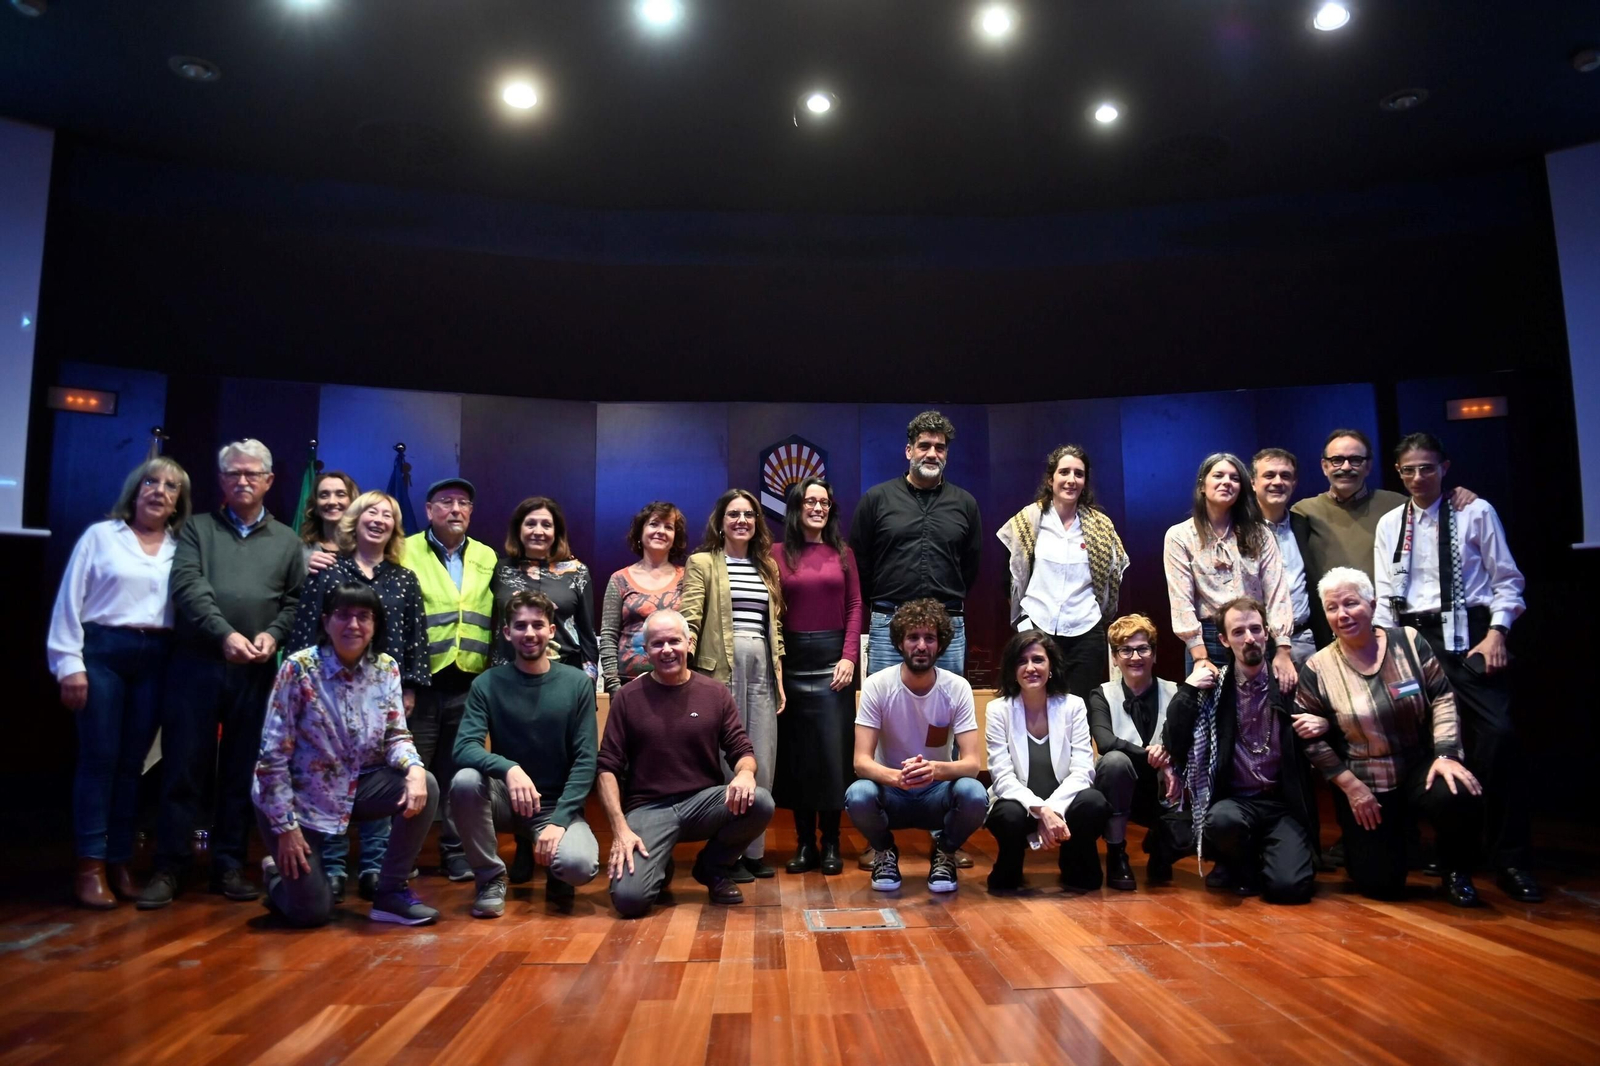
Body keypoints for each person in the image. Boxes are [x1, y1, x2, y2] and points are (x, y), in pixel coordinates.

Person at [1372, 432, 1539, 902]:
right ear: (1399, 473)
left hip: (1471, 635)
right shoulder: (1391, 523)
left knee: (1498, 739)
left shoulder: (1475, 511)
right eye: (1408, 470)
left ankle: (1509, 859)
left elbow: (1507, 581)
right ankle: (1453, 862)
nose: (1418, 477)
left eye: (1427, 468)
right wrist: (1387, 652)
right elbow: (1384, 595)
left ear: (1444, 468)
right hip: (1414, 638)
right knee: (1433, 748)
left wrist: (1498, 632)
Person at [139, 440, 304, 910]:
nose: (242, 481)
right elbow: (188, 586)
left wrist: (273, 634)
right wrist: (224, 634)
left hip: (255, 671)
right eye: (233, 474)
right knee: (183, 768)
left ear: (269, 481)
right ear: (221, 480)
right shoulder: (196, 529)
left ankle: (228, 864)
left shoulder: (288, 541)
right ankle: (169, 866)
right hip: (197, 665)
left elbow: (294, 602)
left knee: (240, 772)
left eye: (252, 474)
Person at [252, 582, 440, 927]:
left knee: (425, 784)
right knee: (312, 913)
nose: (353, 625)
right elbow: (272, 757)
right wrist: (285, 828)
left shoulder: (386, 669)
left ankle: (391, 894)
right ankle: (278, 875)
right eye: (343, 615)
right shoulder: (298, 669)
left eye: (363, 616)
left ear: (375, 625)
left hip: (357, 788)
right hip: (298, 802)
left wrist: (413, 767)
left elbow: (396, 735)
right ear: (326, 622)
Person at [1295, 567, 1485, 907]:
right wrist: (1350, 787)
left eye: (1351, 603)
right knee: (1379, 885)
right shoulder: (1318, 667)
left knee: (1456, 788)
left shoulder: (1409, 642)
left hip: (1418, 765)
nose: (1342, 614)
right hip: (1366, 781)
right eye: (1332, 608)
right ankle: (1391, 843)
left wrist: (1446, 755)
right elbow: (1308, 738)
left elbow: (1442, 695)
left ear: (1372, 604)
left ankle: (1455, 869)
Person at [49, 457, 191, 908]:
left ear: (178, 502)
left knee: (133, 766)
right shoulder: (101, 536)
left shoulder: (181, 548)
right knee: (100, 760)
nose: (159, 490)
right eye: (151, 481)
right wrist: (69, 664)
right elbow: (70, 600)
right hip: (103, 654)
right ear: (135, 489)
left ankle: (120, 861)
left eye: (171, 486)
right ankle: (89, 865)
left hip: (157, 659)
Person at [849, 410, 981, 869]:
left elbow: (971, 566)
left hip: (949, 625)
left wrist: (940, 619)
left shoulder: (965, 504)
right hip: (889, 622)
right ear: (908, 450)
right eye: (924, 445)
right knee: (883, 718)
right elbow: (861, 563)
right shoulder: (877, 499)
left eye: (940, 447)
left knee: (943, 721)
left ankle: (946, 835)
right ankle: (879, 835)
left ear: (947, 454)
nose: (931, 453)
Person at [286, 489, 428, 903]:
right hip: (327, 693)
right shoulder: (329, 571)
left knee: (380, 766)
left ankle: (373, 867)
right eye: (371, 512)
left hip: (383, 691)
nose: (379, 520)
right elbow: (306, 629)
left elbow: (415, 636)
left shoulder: (404, 578)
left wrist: (409, 687)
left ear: (395, 527)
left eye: (388, 515)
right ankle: (333, 868)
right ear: (355, 519)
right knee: (333, 772)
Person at [597, 610, 775, 918]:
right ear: (646, 650)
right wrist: (620, 828)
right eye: (657, 644)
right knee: (630, 900)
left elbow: (741, 749)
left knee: (759, 801)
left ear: (689, 643)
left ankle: (712, 867)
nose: (667, 650)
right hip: (648, 808)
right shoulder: (627, 697)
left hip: (702, 804)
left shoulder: (715, 693)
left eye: (674, 641)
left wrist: (746, 773)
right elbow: (606, 768)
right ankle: (659, 865)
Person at [452, 590, 601, 917]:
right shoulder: (487, 683)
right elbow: (463, 747)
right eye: (520, 626)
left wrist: (560, 821)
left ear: (552, 630)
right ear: (507, 632)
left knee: (578, 866)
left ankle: (554, 866)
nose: (529, 633)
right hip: (506, 798)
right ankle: (490, 879)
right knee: (465, 781)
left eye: (538, 625)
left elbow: (586, 760)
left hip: (554, 804)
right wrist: (508, 768)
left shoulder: (577, 683)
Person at [1165, 597, 1318, 902]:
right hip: (1235, 803)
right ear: (1223, 640)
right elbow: (1174, 739)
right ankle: (1241, 863)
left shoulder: (1288, 683)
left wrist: (1322, 723)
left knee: (1289, 888)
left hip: (1280, 804)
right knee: (1222, 822)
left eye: (1255, 629)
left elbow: (1328, 718)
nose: (1249, 638)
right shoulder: (1215, 688)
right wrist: (1189, 689)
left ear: (1266, 633)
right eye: (1238, 632)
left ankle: (1264, 856)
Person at [845, 600, 987, 893]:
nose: (921, 646)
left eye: (929, 638)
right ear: (900, 642)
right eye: (913, 637)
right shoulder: (877, 685)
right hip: (892, 791)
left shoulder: (957, 687)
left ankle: (945, 852)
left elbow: (972, 764)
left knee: (974, 793)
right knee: (858, 795)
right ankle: (884, 851)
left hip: (936, 793)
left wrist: (934, 770)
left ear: (940, 644)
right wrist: (898, 778)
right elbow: (861, 762)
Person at [680, 488, 786, 880]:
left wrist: (779, 677)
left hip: (762, 669)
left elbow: (774, 626)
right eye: (733, 514)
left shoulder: (767, 566)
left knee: (763, 759)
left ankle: (752, 851)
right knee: (729, 763)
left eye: (749, 515)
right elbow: (690, 616)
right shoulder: (703, 562)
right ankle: (727, 855)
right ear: (721, 522)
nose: (742, 521)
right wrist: (684, 662)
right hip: (718, 671)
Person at [1291, 428, 1476, 648]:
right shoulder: (1303, 512)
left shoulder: (1397, 506)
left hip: (1391, 623)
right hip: (1333, 626)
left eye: (1355, 460)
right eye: (1337, 460)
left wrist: (1454, 494)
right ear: (1325, 466)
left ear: (1368, 466)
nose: (1346, 467)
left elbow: (1431, 503)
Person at [400, 477, 497, 883]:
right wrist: (404, 681)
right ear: (428, 510)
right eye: (445, 502)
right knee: (413, 773)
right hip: (421, 684)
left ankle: (455, 853)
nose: (455, 509)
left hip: (469, 683)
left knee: (460, 774)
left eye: (463, 503)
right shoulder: (404, 549)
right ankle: (402, 856)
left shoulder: (487, 556)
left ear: (471, 512)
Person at [772, 477, 863, 876]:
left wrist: (849, 657)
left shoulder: (844, 553)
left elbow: (856, 605)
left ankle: (832, 842)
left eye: (824, 502)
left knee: (831, 756)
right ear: (796, 508)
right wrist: (777, 665)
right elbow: (772, 612)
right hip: (792, 663)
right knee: (799, 757)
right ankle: (805, 843)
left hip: (833, 665)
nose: (818, 508)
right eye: (810, 501)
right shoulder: (775, 554)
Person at [982, 630, 1112, 894]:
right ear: (1012, 669)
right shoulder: (998, 710)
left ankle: (1074, 858)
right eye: (1021, 661)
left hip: (1063, 808)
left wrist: (1053, 810)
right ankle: (1011, 862)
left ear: (1051, 666)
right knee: (1007, 815)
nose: (1030, 668)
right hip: (1021, 806)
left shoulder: (1073, 706)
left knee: (1094, 802)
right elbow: (1002, 778)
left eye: (1038, 660)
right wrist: (1042, 811)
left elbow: (1083, 771)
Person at [997, 444, 1130, 700]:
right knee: (1038, 706)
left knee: (1081, 709)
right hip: (1038, 627)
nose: (1071, 480)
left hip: (1085, 631)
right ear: (1051, 479)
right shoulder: (1028, 520)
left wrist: (1099, 616)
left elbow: (1113, 577)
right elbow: (1009, 577)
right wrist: (1024, 625)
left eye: (1079, 474)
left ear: (1085, 482)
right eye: (1064, 472)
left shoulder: (1101, 526)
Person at [1163, 452, 1296, 691]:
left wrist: (1283, 650)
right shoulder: (1180, 536)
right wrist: (1200, 656)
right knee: (1209, 710)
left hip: (1255, 633)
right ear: (1202, 485)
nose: (1227, 482)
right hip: (1208, 638)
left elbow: (1277, 593)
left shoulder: (1260, 533)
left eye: (1234, 478)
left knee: (1258, 708)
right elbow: (1180, 600)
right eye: (1219, 476)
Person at [1085, 613, 1188, 891]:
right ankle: (1116, 852)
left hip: (1162, 791)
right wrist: (1158, 760)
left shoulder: (1176, 692)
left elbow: (1185, 743)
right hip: (1117, 788)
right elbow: (1105, 742)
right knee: (1114, 762)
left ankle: (1161, 844)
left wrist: (1170, 759)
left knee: (1178, 846)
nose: (1135, 657)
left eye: (1143, 649)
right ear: (1115, 658)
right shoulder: (1101, 695)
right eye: (1125, 650)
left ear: (1154, 654)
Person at [490, 496, 598, 678]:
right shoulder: (501, 569)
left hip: (565, 674)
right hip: (508, 675)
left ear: (556, 532)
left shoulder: (577, 572)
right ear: (518, 529)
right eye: (530, 524)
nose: (538, 531)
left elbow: (587, 633)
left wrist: (589, 681)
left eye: (546, 525)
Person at [599, 500, 687, 695]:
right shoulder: (619, 579)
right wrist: (614, 686)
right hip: (626, 685)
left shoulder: (688, 578)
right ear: (640, 532)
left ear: (675, 536)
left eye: (668, 527)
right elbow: (608, 636)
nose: (661, 531)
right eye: (654, 524)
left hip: (676, 684)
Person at [1250, 449, 1317, 667]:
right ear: (1253, 482)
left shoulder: (1304, 526)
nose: (1278, 482)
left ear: (1294, 483)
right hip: (1256, 644)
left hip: (1304, 640)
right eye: (1269, 475)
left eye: (1285, 476)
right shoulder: (1238, 530)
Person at [298, 470, 357, 568]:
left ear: (353, 501)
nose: (332, 502)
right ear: (315, 504)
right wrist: (304, 567)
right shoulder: (299, 550)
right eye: (324, 495)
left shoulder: (366, 549)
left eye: (341, 494)